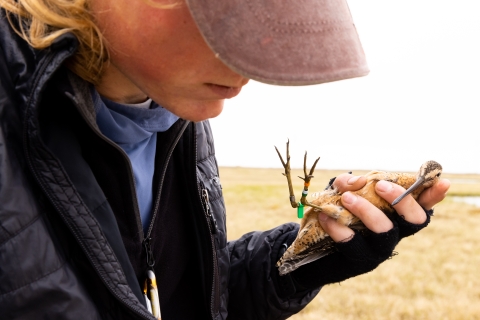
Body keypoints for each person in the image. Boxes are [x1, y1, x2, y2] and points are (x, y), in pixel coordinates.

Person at [0, 0, 450, 319]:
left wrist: (299, 260)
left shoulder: (178, 111)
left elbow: (172, 297)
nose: (253, 66)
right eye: (229, 21)